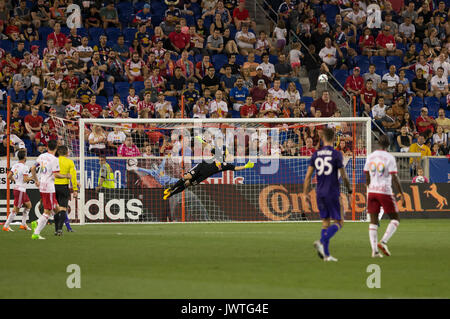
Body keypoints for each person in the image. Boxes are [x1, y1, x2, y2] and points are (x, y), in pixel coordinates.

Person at [303, 128, 352, 262]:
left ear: (323, 138)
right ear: (334, 138)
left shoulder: (316, 154)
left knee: (325, 222)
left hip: (319, 192)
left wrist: (305, 194)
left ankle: (326, 255)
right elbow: (343, 175)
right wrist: (349, 190)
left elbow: (307, 177)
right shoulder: (336, 154)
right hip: (332, 191)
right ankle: (321, 241)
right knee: (339, 222)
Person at [163, 135, 254, 200]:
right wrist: (202, 141)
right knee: (187, 177)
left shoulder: (225, 165)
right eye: (225, 151)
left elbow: (236, 168)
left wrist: (246, 166)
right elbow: (208, 146)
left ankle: (171, 194)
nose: (226, 153)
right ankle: (171, 189)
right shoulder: (217, 154)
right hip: (201, 167)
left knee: (187, 184)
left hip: (204, 176)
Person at [364, 135, 405, 258]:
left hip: (372, 191)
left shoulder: (370, 156)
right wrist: (401, 193)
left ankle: (374, 251)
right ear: (389, 145)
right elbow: (394, 177)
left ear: (378, 144)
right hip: (384, 191)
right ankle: (384, 241)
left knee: (373, 221)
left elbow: (366, 175)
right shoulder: (389, 158)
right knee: (395, 219)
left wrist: (369, 188)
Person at [30, 140, 71, 240]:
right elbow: (56, 174)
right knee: (48, 212)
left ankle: (38, 222)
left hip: (42, 185)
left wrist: (36, 180)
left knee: (56, 209)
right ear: (56, 148)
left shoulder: (42, 156)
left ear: (47, 147)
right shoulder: (54, 159)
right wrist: (66, 176)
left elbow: (32, 168)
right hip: (49, 187)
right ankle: (36, 232)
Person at [3, 150, 32, 232]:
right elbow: (25, 179)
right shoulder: (24, 167)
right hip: (20, 190)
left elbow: (9, 176)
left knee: (29, 205)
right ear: (25, 157)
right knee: (16, 209)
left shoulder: (15, 165)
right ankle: (6, 226)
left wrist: (15, 181)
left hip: (18, 189)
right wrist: (32, 177)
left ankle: (23, 224)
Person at [54, 145, 77, 235]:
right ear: (67, 152)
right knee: (63, 208)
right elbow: (73, 177)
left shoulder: (54, 161)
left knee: (56, 209)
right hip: (63, 187)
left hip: (53, 187)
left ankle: (56, 230)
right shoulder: (70, 162)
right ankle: (60, 229)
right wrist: (75, 189)